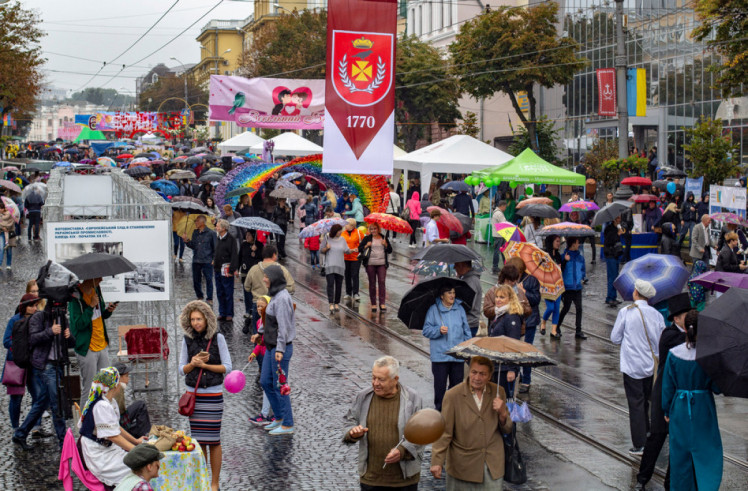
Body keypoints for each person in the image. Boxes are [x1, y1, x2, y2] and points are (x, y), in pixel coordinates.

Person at [635, 292, 691, 490]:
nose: (690, 319)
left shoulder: (689, 335)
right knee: (656, 439)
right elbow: (682, 345)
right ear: (676, 318)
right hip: (663, 394)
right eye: (687, 316)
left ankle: (670, 483)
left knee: (678, 442)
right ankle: (642, 479)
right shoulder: (669, 335)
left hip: (681, 395)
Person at [430, 356, 514, 489]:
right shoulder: (453, 395)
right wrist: (437, 461)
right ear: (469, 371)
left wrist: (503, 413)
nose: (477, 378)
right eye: (474, 372)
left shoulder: (499, 392)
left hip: (492, 465)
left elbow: (507, 429)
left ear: (490, 376)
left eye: (482, 374)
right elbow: (445, 432)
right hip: (462, 467)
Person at [662, 310, 723, 491]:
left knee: (680, 456)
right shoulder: (709, 356)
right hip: (703, 409)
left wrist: (667, 410)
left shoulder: (674, 354)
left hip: (680, 409)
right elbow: (717, 388)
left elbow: (668, 386)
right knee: (707, 452)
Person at [344, 356, 424, 490]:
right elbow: (348, 421)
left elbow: (421, 433)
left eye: (381, 379)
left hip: (404, 481)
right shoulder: (363, 396)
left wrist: (403, 451)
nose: (375, 383)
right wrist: (352, 433)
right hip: (371, 480)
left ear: (395, 379)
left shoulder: (412, 399)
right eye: (373, 377)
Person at [179, 300, 232, 491]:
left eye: (199, 319)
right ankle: (202, 480)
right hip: (195, 397)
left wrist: (206, 366)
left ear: (207, 319)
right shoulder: (187, 339)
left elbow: (227, 367)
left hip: (213, 395)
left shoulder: (218, 338)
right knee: (199, 441)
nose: (196, 323)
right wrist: (192, 364)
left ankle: (215, 483)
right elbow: (181, 369)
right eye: (192, 319)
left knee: (214, 440)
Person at [610, 279, 665, 456]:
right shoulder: (656, 315)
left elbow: (615, 338)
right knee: (648, 401)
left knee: (636, 404)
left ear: (635, 293)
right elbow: (660, 341)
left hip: (632, 365)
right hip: (650, 365)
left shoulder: (626, 312)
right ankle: (649, 433)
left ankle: (640, 443)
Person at [77, 367, 148, 487]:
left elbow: (116, 428)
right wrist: (136, 451)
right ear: (115, 386)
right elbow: (113, 436)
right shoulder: (101, 405)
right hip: (98, 453)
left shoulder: (109, 402)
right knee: (135, 468)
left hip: (106, 448)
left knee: (136, 464)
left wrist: (136, 442)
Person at [69, 277, 118, 408]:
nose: (101, 279)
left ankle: (103, 418)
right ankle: (84, 422)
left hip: (102, 344)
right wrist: (90, 306)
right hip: (87, 348)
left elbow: (100, 315)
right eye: (98, 277)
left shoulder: (96, 289)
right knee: (90, 387)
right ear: (89, 278)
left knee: (105, 385)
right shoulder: (75, 298)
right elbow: (78, 325)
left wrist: (108, 310)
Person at [422, 285, 472, 410]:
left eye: (454, 293)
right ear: (442, 295)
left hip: (457, 356)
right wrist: (438, 330)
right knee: (440, 388)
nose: (452, 295)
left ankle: (454, 412)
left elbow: (466, 331)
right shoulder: (433, 310)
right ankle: (439, 412)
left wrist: (467, 351)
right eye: (449, 293)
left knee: (457, 389)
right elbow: (426, 330)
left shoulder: (459, 309)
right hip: (440, 357)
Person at [260, 265, 296, 435]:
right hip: (270, 346)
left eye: (266, 276)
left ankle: (288, 424)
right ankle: (279, 417)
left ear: (273, 278)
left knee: (279, 385)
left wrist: (280, 349)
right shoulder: (275, 295)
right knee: (265, 381)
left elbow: (283, 327)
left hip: (279, 348)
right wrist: (260, 334)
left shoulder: (282, 298)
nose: (264, 279)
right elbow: (270, 322)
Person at [4, 294, 43, 434]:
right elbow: (6, 341)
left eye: (35, 305)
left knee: (38, 395)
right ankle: (15, 427)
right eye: (32, 305)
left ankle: (36, 427)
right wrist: (21, 346)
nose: (34, 308)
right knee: (16, 397)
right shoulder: (14, 320)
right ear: (24, 306)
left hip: (33, 363)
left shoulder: (38, 319)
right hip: (17, 364)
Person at [488, 285, 524, 398]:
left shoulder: (511, 317)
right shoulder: (499, 314)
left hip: (504, 368)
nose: (498, 300)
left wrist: (512, 369)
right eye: (497, 297)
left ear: (510, 299)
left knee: (503, 399)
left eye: (502, 297)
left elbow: (514, 344)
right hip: (497, 364)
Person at [244, 245, 295, 325]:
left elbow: (247, 287)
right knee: (273, 334)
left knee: (257, 334)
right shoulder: (282, 269)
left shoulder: (254, 269)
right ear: (274, 255)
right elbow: (291, 288)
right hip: (275, 305)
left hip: (258, 305)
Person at [511, 257, 540, 394]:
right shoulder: (511, 281)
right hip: (516, 321)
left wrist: (524, 292)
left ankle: (527, 379)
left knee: (526, 351)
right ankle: (520, 375)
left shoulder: (531, 280)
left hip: (529, 322)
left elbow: (536, 299)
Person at [247, 296, 274, 426]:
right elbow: (261, 343)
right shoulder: (259, 322)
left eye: (262, 306)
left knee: (270, 385)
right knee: (267, 385)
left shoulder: (270, 322)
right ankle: (268, 414)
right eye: (257, 306)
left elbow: (266, 340)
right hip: (264, 357)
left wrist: (259, 338)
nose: (259, 308)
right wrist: (254, 353)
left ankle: (271, 414)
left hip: (272, 356)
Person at [183, 215, 217, 304]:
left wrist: (214, 259)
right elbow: (193, 245)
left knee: (209, 279)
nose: (195, 223)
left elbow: (215, 247)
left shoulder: (211, 233)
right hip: (196, 260)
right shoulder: (195, 232)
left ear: (202, 222)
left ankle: (209, 298)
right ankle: (199, 296)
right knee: (196, 280)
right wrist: (186, 241)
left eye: (197, 221)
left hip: (207, 260)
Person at [112, 363, 151, 439]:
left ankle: (143, 432)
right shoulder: (118, 388)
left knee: (141, 422)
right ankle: (145, 434)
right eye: (126, 376)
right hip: (119, 422)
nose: (128, 379)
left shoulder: (115, 386)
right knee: (140, 405)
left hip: (118, 420)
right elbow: (119, 411)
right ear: (119, 378)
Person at [359, 223, 392, 312]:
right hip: (370, 263)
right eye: (371, 229)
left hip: (382, 263)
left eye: (375, 229)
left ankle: (382, 303)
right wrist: (366, 245)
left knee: (382, 282)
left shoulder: (383, 237)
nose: (373, 231)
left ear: (378, 229)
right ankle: (373, 303)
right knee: (372, 283)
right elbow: (360, 248)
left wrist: (386, 245)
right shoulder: (367, 238)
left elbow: (390, 251)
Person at [212, 219, 239, 322]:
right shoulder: (218, 237)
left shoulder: (231, 239)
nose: (216, 227)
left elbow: (234, 255)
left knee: (228, 292)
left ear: (223, 228)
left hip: (227, 270)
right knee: (219, 292)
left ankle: (229, 313)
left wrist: (232, 269)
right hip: (218, 269)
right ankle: (222, 312)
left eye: (218, 226)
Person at [322, 224, 349, 313]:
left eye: (341, 230)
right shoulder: (327, 238)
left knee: (339, 285)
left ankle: (337, 303)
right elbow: (321, 250)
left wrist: (354, 250)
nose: (340, 232)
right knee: (330, 284)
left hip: (340, 265)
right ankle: (330, 303)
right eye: (339, 231)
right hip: (329, 265)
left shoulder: (342, 239)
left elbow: (347, 250)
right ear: (334, 231)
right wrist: (326, 248)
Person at [239, 230, 263, 327]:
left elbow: (261, 259)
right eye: (246, 235)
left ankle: (255, 310)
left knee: (255, 293)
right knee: (246, 291)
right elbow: (240, 257)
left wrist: (255, 252)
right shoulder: (244, 245)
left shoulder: (259, 245)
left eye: (249, 235)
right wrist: (237, 269)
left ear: (254, 236)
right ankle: (248, 310)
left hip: (255, 274)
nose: (247, 237)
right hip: (245, 272)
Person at [453, 260, 482, 337]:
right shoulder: (464, 279)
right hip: (465, 323)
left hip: (469, 324)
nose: (454, 267)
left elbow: (467, 305)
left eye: (456, 265)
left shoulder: (471, 281)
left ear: (463, 265)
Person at [603, 216, 625, 307]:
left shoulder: (616, 228)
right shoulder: (609, 228)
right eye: (618, 218)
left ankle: (613, 296)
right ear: (614, 219)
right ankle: (610, 297)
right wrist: (617, 234)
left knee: (615, 276)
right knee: (612, 276)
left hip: (615, 254)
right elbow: (609, 241)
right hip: (610, 254)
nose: (620, 220)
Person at [342, 219, 364, 302]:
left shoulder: (359, 233)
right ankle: (348, 292)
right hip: (345, 257)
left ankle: (356, 293)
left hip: (355, 258)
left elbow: (363, 244)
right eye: (346, 224)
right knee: (347, 275)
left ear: (353, 225)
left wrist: (358, 249)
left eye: (348, 224)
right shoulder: (342, 234)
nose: (346, 226)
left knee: (355, 275)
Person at [490, 200, 508, 273]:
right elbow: (504, 223)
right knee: (498, 251)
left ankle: (504, 264)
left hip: (497, 234)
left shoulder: (495, 212)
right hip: (499, 235)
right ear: (502, 206)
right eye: (505, 207)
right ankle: (495, 266)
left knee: (502, 250)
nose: (505, 209)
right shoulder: (499, 214)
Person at [0, 199, 15, 269]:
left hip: (10, 233)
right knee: (1, 248)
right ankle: (0, 264)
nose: (1, 209)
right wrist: (3, 228)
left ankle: (8, 264)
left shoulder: (11, 214)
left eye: (2, 208)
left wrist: (6, 227)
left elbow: (12, 223)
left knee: (9, 249)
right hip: (1, 233)